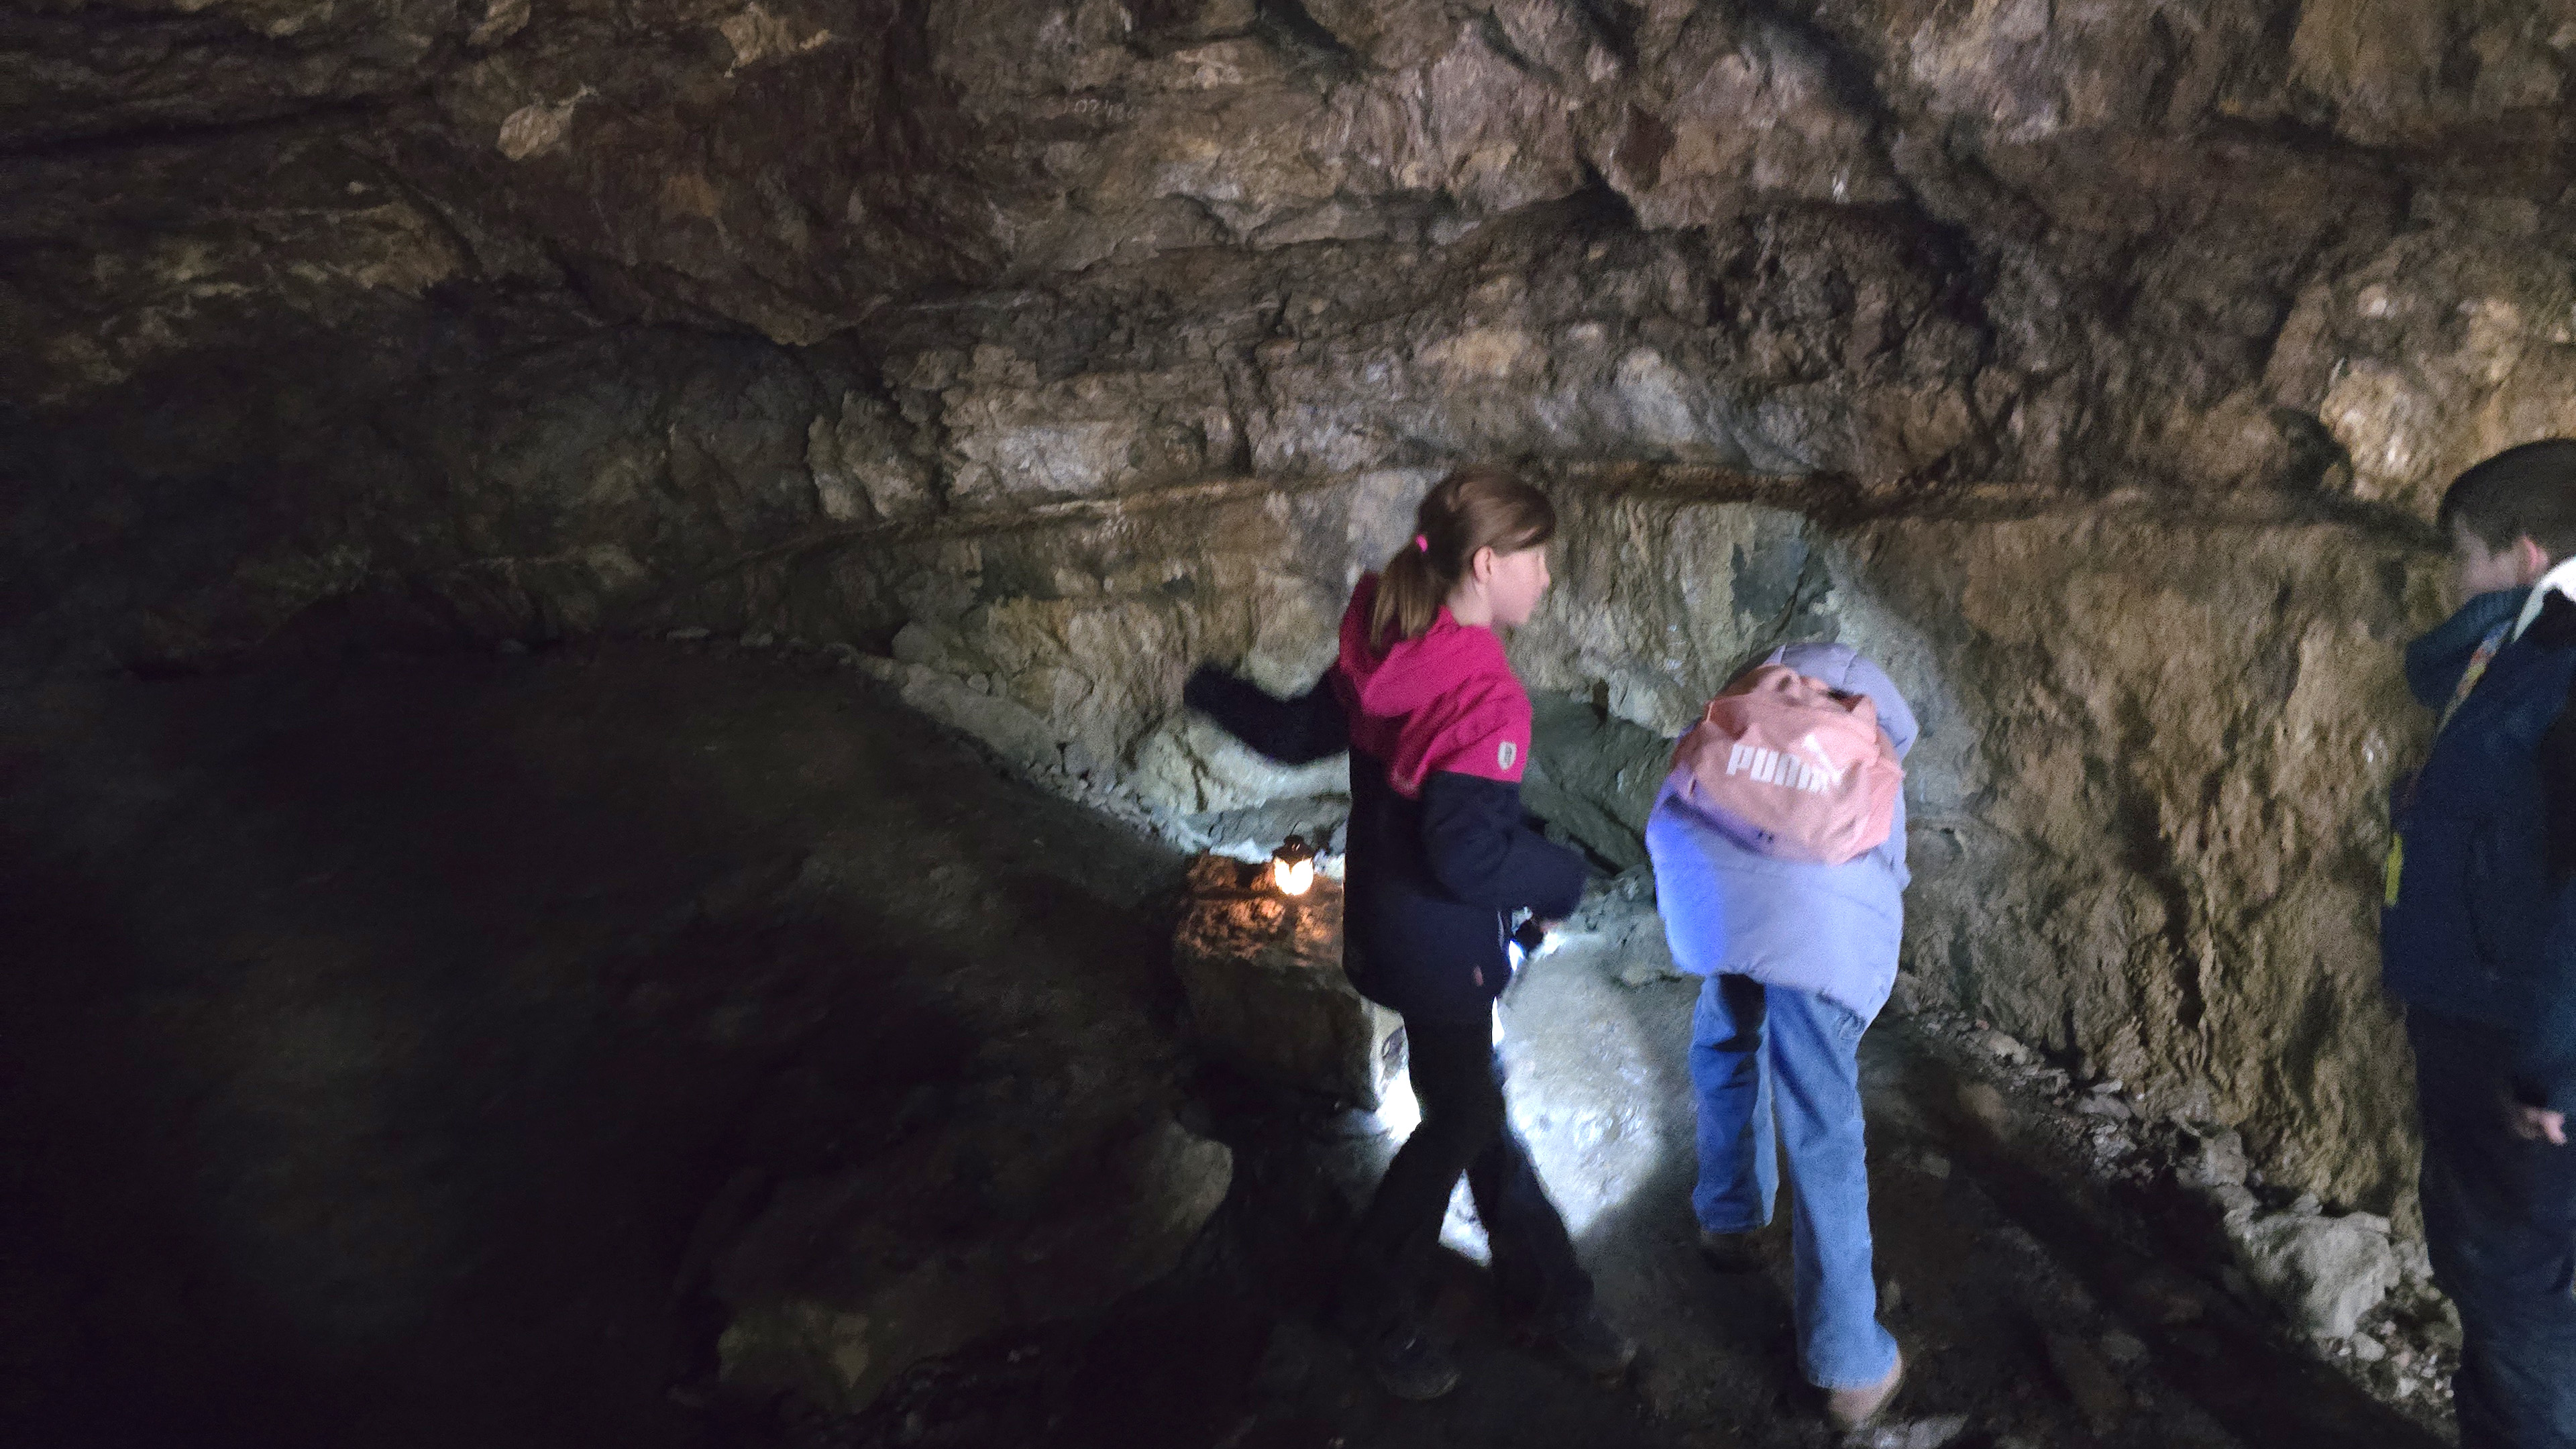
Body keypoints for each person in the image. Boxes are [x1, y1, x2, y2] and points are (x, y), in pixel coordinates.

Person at [1183, 466, 1634, 1401]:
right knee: (1465, 1115)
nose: (1547, 579)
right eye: (1537, 559)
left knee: (1471, 1104)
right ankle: (1375, 1298)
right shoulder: (1485, 697)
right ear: (1486, 564)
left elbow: (1300, 732)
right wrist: (1562, 876)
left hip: (1383, 924)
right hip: (1440, 947)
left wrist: (1206, 687)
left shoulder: (1390, 634)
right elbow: (1467, 857)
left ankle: (1547, 1290)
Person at [1644, 641, 1914, 1432]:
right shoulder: (1873, 738)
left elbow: (1680, 800)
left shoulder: (1744, 707)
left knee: (1727, 1032)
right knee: (1822, 1121)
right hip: (1821, 929)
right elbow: (1882, 871)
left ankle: (1728, 1220)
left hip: (1722, 905)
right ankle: (1850, 1363)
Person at [2381, 439, 2576, 1449]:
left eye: (2466, 557)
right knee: (2508, 1289)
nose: (2457, 581)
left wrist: (2551, 1074)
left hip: (2520, 1061)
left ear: (2527, 551)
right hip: (2493, 1026)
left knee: (2520, 1301)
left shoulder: (2563, 659)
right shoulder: (2528, 655)